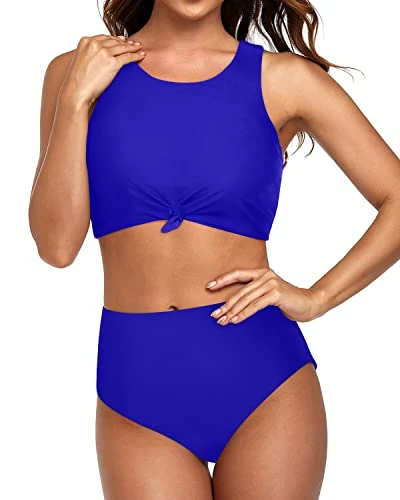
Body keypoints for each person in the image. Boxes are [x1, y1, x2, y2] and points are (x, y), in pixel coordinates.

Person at [28, 0, 400, 498]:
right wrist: (75, 99)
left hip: (264, 381)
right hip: (136, 385)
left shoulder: (284, 80)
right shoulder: (74, 72)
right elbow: (55, 246)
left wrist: (317, 298)